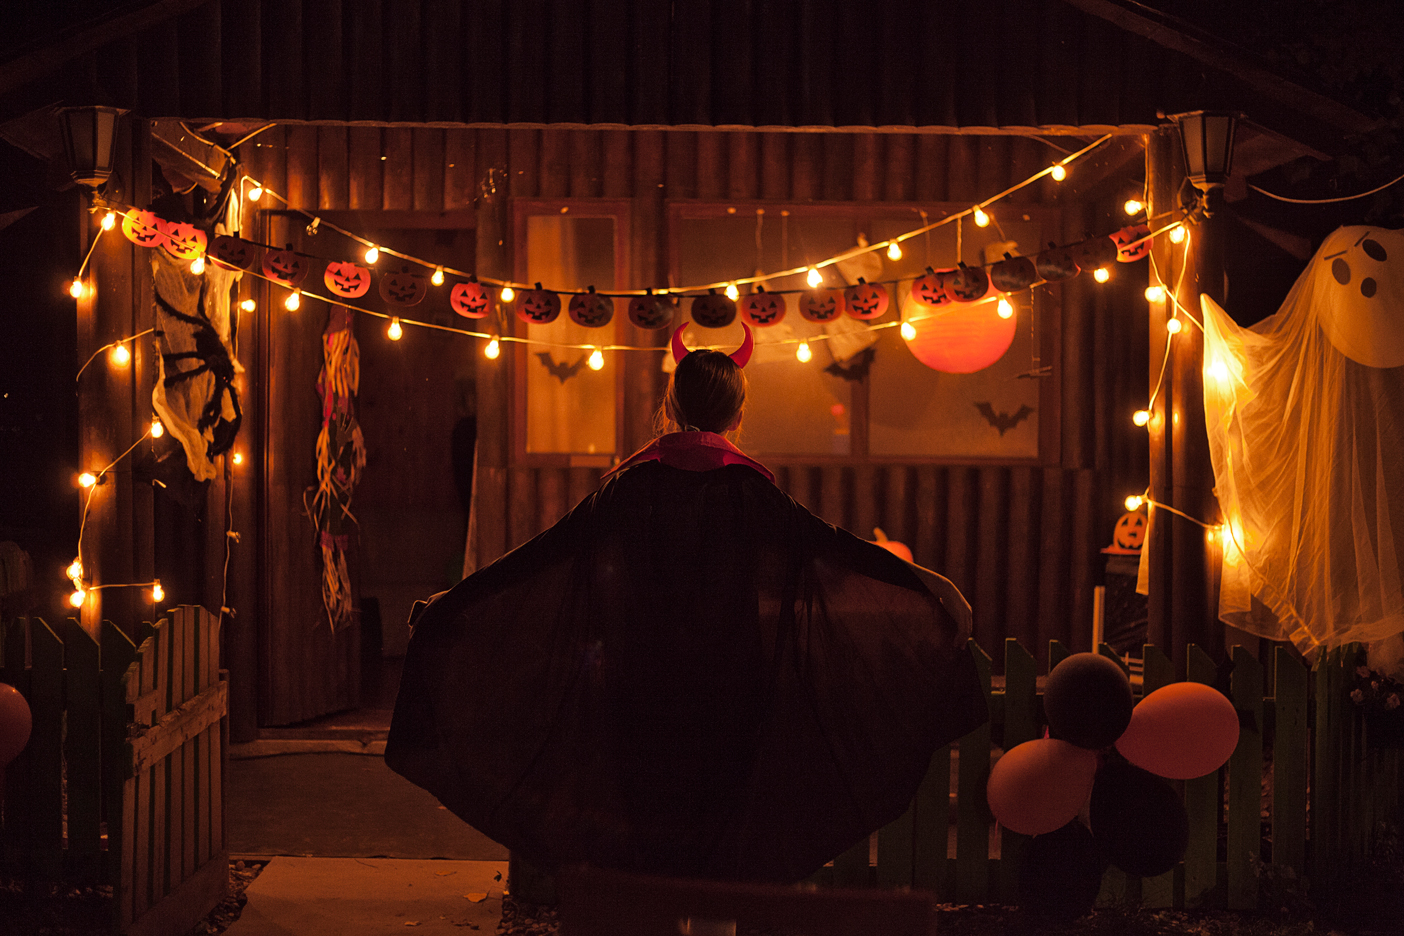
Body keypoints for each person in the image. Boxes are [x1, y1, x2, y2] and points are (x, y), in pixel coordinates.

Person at [385, 321, 988, 884]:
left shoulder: (628, 487)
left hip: (640, 680)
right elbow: (834, 547)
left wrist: (453, 602)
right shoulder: (748, 491)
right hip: (731, 683)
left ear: (670, 408)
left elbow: (541, 555)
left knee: (647, 825)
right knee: (723, 834)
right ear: (738, 413)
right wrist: (932, 586)